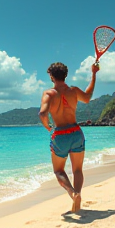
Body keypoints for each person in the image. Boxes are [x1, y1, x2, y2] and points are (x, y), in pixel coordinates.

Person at [38, 61, 99, 213]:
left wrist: (47, 126)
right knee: (77, 169)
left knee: (59, 171)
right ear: (66, 75)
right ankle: (78, 193)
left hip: (60, 134)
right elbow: (87, 97)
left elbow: (42, 113)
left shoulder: (49, 94)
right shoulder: (74, 91)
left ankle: (72, 193)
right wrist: (94, 74)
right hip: (76, 132)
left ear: (51, 76)